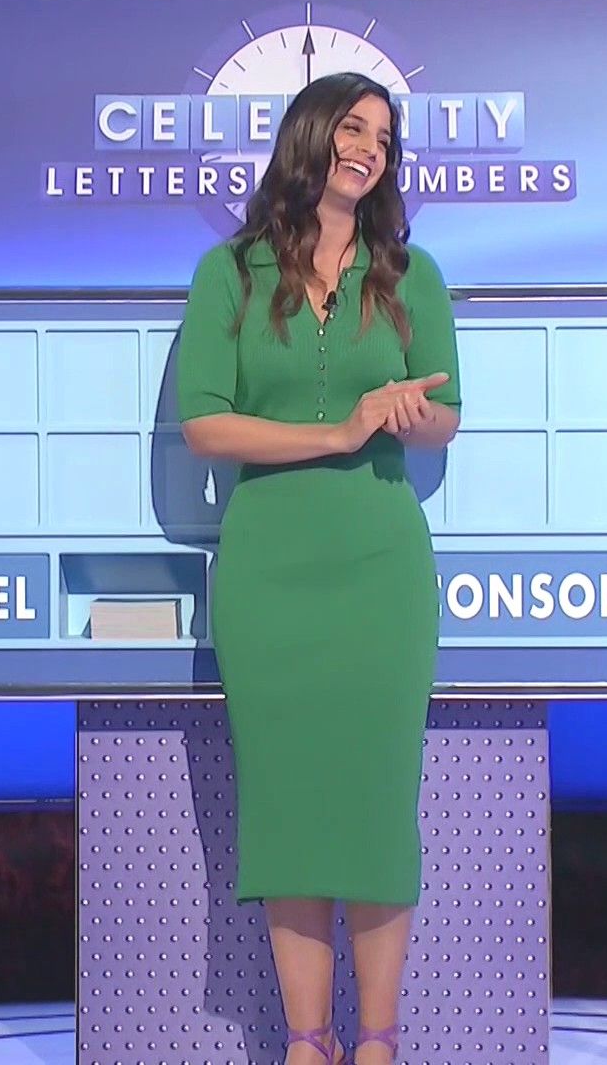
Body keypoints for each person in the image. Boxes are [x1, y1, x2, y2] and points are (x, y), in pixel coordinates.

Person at [173, 71, 462, 1065]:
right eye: (353, 127)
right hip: (271, 575)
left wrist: (412, 416)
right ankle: (309, 1041)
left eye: (384, 137)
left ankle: (377, 1042)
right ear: (309, 135)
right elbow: (205, 423)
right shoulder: (231, 273)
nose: (369, 148)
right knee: (290, 810)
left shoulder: (410, 273)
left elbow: (450, 414)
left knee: (376, 806)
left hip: (380, 571)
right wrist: (337, 432)